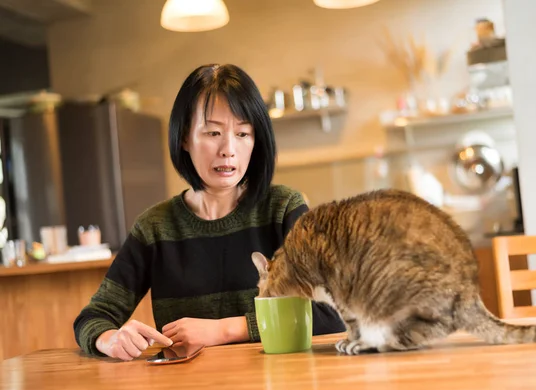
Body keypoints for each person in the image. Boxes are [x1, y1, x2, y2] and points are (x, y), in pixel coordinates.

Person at [73, 63, 346, 361]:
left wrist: (224, 330)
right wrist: (111, 339)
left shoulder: (283, 209)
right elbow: (94, 316)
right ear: (184, 139)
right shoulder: (155, 226)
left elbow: (333, 311)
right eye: (213, 132)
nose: (228, 149)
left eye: (243, 134)